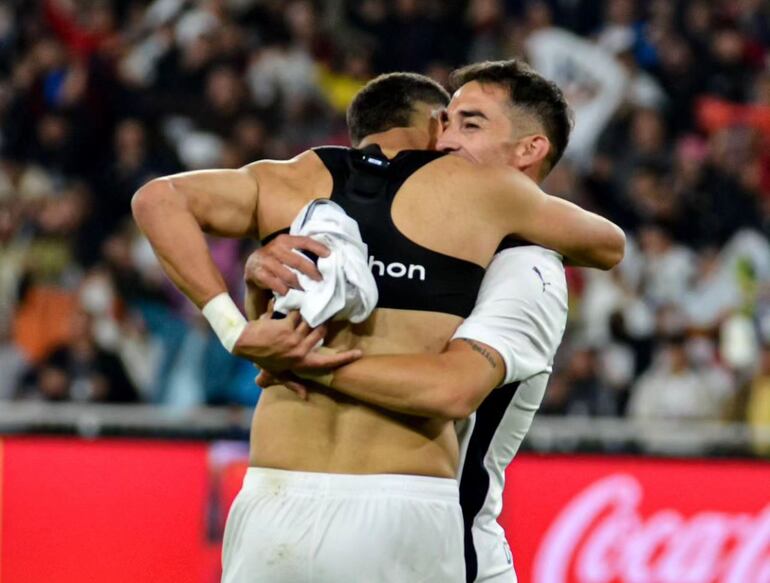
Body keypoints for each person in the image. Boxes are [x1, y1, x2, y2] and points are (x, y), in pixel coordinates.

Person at [132, 68, 624, 582]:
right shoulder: (483, 195)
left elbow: (156, 199)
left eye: (469, 125)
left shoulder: (288, 182)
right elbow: (609, 243)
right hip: (401, 504)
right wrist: (260, 292)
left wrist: (241, 330)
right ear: (433, 124)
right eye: (449, 123)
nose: (452, 139)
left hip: (268, 504)